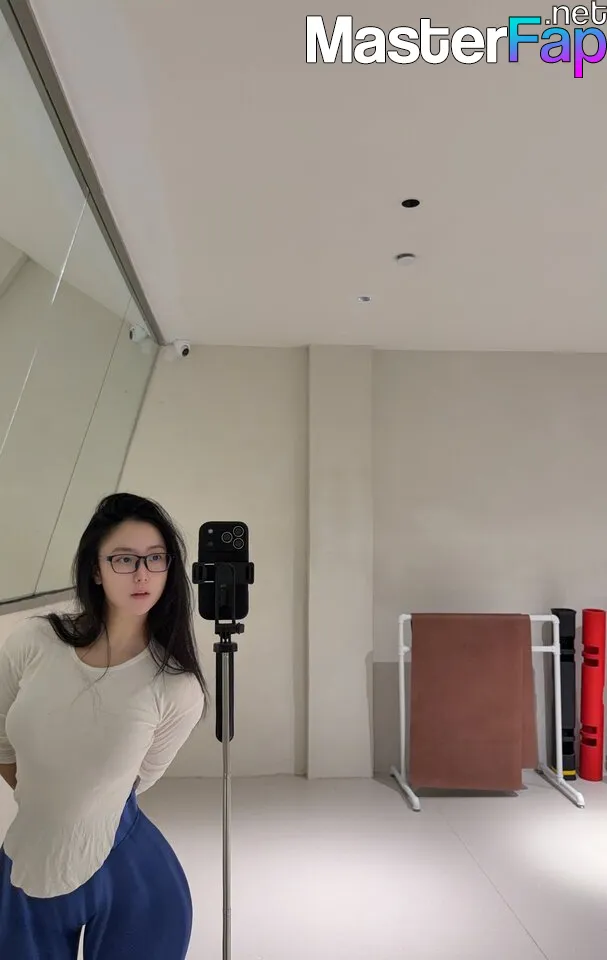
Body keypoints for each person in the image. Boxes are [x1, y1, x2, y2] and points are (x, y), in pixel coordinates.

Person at [0, 492, 209, 959]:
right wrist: (44, 799)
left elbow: (137, 779)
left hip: (131, 877)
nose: (142, 574)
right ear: (96, 570)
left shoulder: (177, 687)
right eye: (124, 559)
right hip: (26, 862)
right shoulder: (34, 641)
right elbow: (0, 737)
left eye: (156, 558)